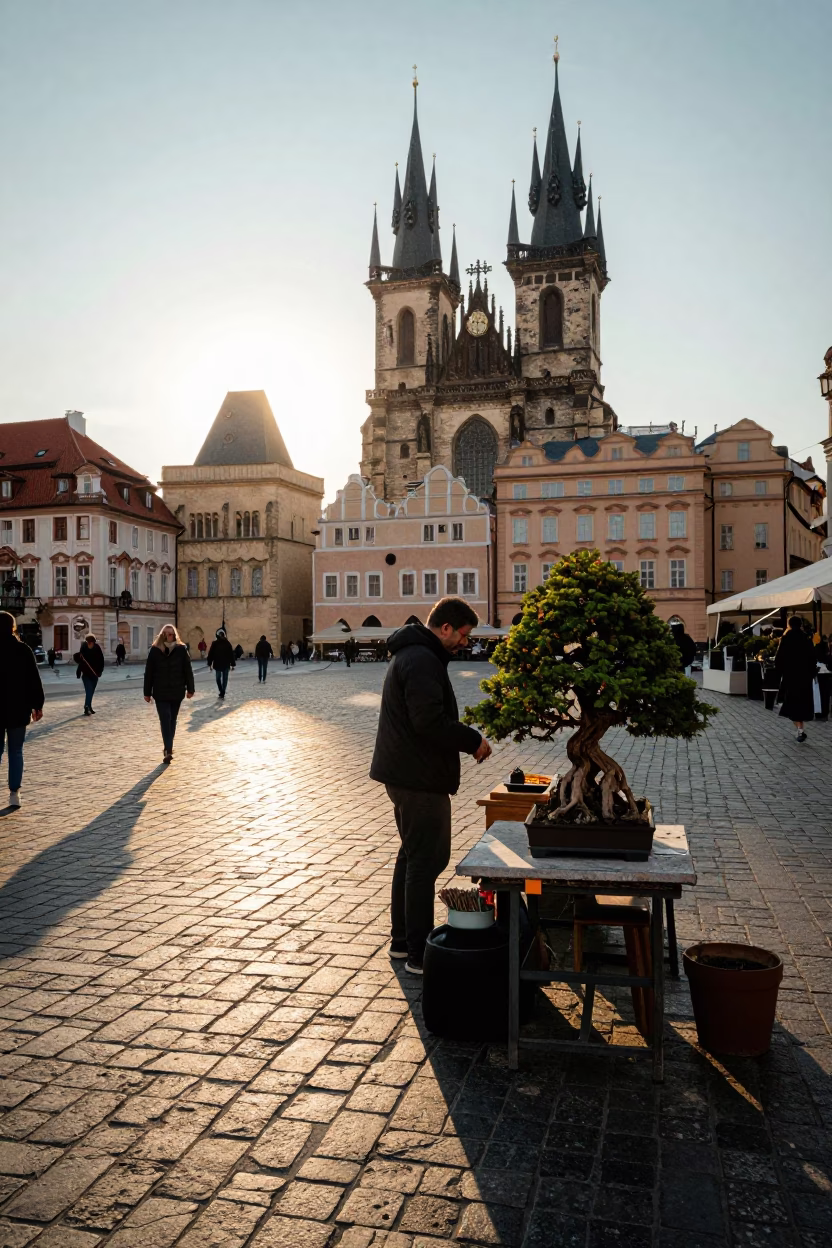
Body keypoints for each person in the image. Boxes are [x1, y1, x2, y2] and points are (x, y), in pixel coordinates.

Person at [370, 597, 492, 975]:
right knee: (426, 861)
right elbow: (428, 721)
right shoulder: (422, 659)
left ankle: (402, 941)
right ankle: (420, 954)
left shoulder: (414, 654)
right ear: (445, 628)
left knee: (412, 856)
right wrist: (473, 740)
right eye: (463, 635)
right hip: (418, 776)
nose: (464, 642)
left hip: (405, 772)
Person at [0, 612, 44, 808]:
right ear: (13, 628)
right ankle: (14, 793)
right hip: (18, 707)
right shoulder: (23, 650)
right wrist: (38, 705)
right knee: (16, 751)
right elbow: (33, 679)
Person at [143, 624, 195, 763]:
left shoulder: (181, 649)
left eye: (170, 634)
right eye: (165, 634)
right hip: (160, 691)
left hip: (177, 690)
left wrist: (191, 689)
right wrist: (147, 692)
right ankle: (168, 749)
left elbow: (187, 670)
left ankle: (168, 746)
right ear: (161, 635)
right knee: (165, 719)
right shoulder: (154, 651)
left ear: (175, 635)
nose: (168, 636)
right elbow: (149, 673)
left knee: (172, 719)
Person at [775, 615, 817, 742]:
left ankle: (800, 730)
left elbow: (779, 658)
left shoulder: (786, 638)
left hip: (790, 676)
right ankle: (800, 730)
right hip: (805, 676)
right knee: (802, 703)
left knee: (791, 704)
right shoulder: (806, 638)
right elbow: (813, 657)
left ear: (789, 624)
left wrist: (781, 671)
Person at [75, 633, 105, 715]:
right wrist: (79, 671)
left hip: (95, 674)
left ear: (94, 642)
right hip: (86, 674)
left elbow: (101, 660)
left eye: (91, 642)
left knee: (91, 691)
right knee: (89, 690)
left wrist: (100, 671)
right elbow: (80, 661)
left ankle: (89, 706)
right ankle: (86, 707)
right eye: (88, 642)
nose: (90, 643)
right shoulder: (84, 648)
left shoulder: (97, 648)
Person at [207, 628, 235, 699]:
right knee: (218, 678)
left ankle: (223, 692)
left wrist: (232, 663)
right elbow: (211, 654)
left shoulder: (227, 643)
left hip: (224, 664)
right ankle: (221, 690)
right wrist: (209, 662)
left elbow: (231, 654)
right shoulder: (215, 643)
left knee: (224, 679)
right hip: (218, 664)